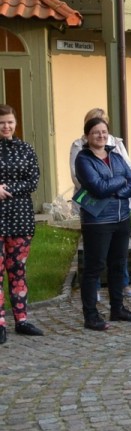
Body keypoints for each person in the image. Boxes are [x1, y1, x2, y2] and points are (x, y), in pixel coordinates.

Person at [74, 116, 131, 331]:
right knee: (94, 267)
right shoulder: (83, 159)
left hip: (122, 217)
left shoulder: (116, 155)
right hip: (98, 221)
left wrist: (116, 187)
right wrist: (120, 182)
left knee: (118, 264)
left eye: (104, 132)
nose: (101, 136)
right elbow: (97, 188)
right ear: (87, 136)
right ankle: (91, 315)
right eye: (96, 132)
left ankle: (117, 308)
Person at [0, 105, 40, 342]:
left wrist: (6, 190)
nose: (6, 126)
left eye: (10, 122)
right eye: (2, 122)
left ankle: (22, 320)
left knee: (18, 271)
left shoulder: (26, 149)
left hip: (20, 218)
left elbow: (33, 180)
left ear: (16, 123)